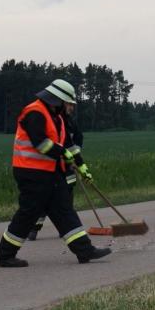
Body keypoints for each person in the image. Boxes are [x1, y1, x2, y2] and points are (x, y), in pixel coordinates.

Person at [0, 79, 110, 267]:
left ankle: (85, 251)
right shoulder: (34, 112)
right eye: (69, 104)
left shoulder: (57, 118)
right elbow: (41, 143)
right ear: (58, 100)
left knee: (63, 210)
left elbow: (68, 146)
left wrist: (82, 166)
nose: (71, 108)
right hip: (31, 173)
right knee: (28, 213)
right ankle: (5, 255)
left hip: (50, 173)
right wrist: (62, 153)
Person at [27, 101, 89, 241]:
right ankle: (35, 228)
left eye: (73, 106)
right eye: (69, 105)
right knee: (47, 199)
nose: (72, 108)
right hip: (52, 165)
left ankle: (66, 229)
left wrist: (77, 161)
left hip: (67, 167)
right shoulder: (53, 119)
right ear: (61, 104)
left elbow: (77, 139)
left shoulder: (70, 122)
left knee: (66, 199)